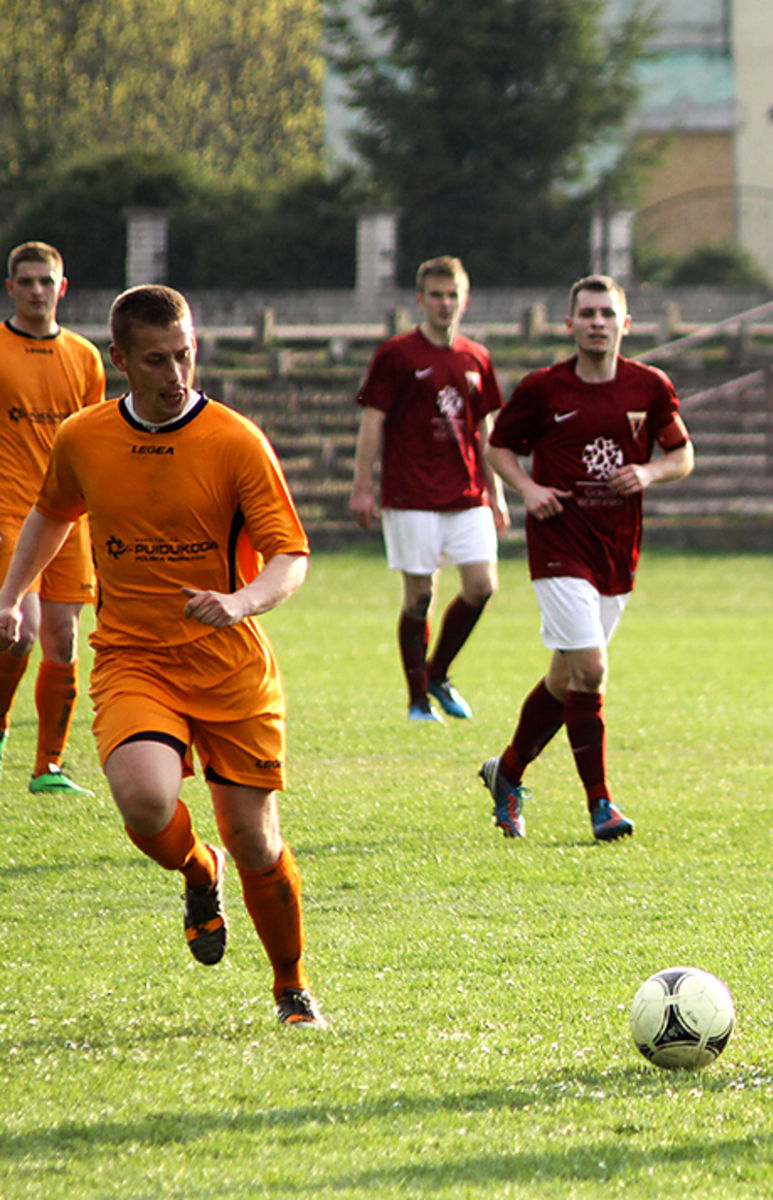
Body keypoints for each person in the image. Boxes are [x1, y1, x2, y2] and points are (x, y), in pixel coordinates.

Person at [0, 285, 327, 1027]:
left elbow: (289, 556)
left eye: (185, 354)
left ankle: (291, 987)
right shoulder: (84, 438)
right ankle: (194, 867)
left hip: (230, 664)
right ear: (119, 360)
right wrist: (13, 593)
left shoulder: (235, 440)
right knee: (147, 804)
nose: (176, 372)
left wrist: (241, 601)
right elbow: (52, 512)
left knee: (256, 839)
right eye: (156, 360)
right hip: (134, 658)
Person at [478, 275, 693, 841]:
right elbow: (497, 445)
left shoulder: (649, 386)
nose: (597, 323)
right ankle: (601, 805)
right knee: (592, 670)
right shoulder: (544, 388)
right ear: (570, 325)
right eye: (587, 314)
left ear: (626, 324)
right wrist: (527, 489)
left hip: (616, 549)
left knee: (565, 676)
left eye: (607, 314)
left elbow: (682, 454)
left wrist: (647, 471)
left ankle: (507, 772)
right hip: (558, 544)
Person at [351, 256, 508, 722]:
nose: (445, 303)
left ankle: (437, 674)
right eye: (436, 295)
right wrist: (363, 484)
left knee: (482, 586)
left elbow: (484, 428)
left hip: (467, 492)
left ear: (465, 299)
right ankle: (418, 699)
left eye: (452, 295)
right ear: (421, 300)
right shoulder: (397, 355)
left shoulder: (476, 356)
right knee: (420, 596)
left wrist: (496, 492)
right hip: (411, 493)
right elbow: (372, 421)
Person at [0, 242, 105, 795]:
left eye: (47, 281)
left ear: (62, 288)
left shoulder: (86, 357)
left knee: (63, 641)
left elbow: (91, 442)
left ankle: (49, 767)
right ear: (11, 286)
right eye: (27, 281)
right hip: (10, 510)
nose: (38, 290)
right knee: (20, 632)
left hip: (70, 516)